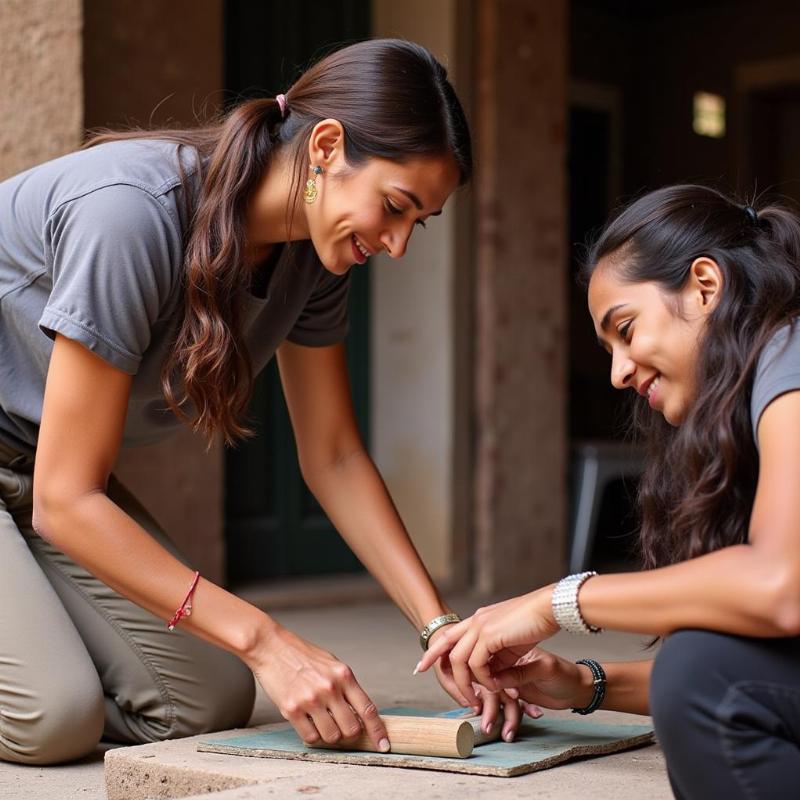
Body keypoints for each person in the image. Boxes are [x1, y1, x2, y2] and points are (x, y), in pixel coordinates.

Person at [0, 38, 520, 767]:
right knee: (52, 714)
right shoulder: (130, 214)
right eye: (395, 207)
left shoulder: (317, 253)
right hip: (48, 486)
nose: (397, 244)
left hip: (28, 470)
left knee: (200, 699)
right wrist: (266, 637)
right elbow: (66, 500)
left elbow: (334, 455)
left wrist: (439, 628)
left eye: (418, 223)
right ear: (328, 146)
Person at [417, 184, 800, 799]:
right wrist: (582, 683)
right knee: (700, 661)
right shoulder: (745, 404)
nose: (619, 371)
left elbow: (781, 589)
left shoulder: (790, 355)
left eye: (626, 329)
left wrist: (557, 602)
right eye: (608, 349)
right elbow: (760, 668)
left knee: (697, 669)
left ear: (706, 286)